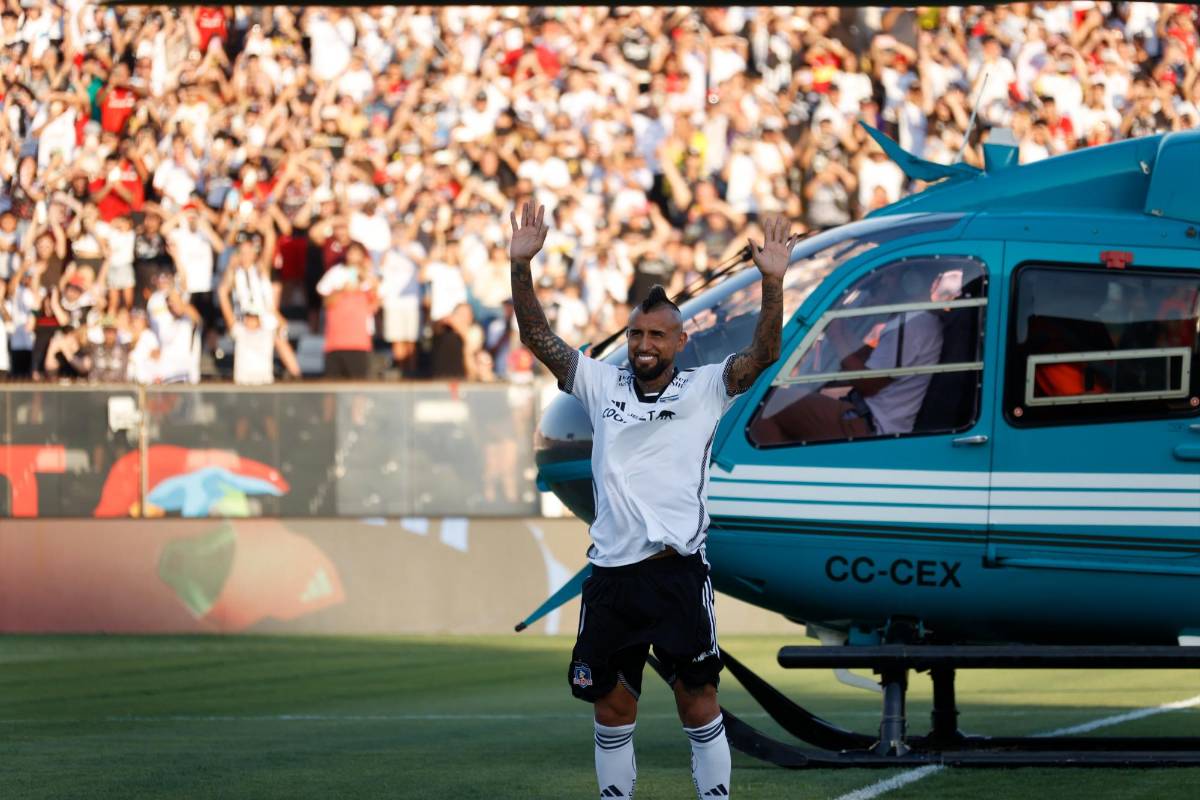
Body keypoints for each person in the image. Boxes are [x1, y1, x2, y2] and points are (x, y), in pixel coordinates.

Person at [509, 202, 798, 799]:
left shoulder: (705, 387)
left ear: (679, 340)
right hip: (611, 577)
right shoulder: (599, 381)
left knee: (699, 702)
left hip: (675, 576)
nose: (642, 344)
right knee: (612, 708)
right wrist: (521, 268)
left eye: (656, 335)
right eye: (636, 333)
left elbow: (764, 353)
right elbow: (537, 336)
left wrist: (773, 285)